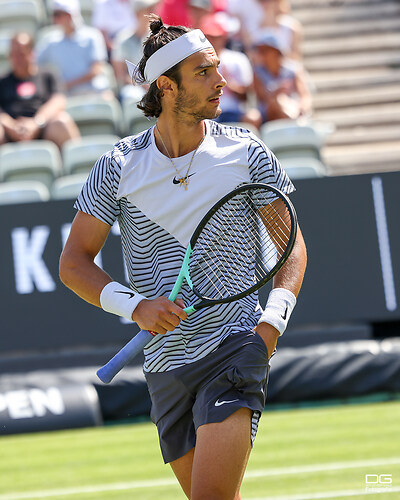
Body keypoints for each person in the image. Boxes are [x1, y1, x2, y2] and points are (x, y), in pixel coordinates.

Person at [59, 15, 307, 499]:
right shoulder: (118, 167)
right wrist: (135, 307)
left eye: (217, 68)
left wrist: (270, 328)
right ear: (167, 87)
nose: (222, 81)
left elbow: (290, 247)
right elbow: (74, 263)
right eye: (204, 72)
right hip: (165, 366)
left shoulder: (247, 154)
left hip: (236, 346)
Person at [0, 32, 80, 148]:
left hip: (44, 129)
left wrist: (36, 123)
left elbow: (59, 100)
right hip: (10, 132)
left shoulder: (48, 75)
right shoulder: (2, 81)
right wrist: (11, 125)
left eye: (21, 54)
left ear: (32, 53)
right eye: (14, 54)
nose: (17, 59)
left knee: (61, 121)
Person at [36, 0, 113, 98]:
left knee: (108, 98)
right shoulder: (50, 41)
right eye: (54, 15)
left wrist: (67, 85)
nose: (54, 18)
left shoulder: (92, 36)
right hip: (66, 95)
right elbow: (34, 64)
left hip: (94, 91)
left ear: (70, 15)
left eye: (58, 14)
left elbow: (96, 69)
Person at [201, 12, 262, 129]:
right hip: (206, 113)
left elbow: (246, 94)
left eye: (215, 36)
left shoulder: (238, 59)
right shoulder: (196, 62)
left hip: (233, 111)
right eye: (208, 36)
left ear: (224, 37)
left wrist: (228, 83)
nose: (211, 40)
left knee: (253, 117)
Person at [252, 30, 312, 122]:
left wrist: (302, 109)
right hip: (268, 115)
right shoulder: (258, 72)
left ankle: (294, 121)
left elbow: (304, 95)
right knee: (280, 100)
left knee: (282, 100)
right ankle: (294, 123)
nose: (261, 54)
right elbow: (262, 99)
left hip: (294, 109)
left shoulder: (294, 69)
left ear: (276, 51)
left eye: (265, 50)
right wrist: (276, 93)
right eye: (260, 51)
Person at [111, 0, 160, 101]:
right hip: (133, 87)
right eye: (148, 10)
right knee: (132, 95)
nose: (153, 13)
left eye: (152, 9)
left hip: (157, 85)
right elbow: (120, 75)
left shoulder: (160, 38)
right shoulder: (122, 39)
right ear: (137, 14)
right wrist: (142, 85)